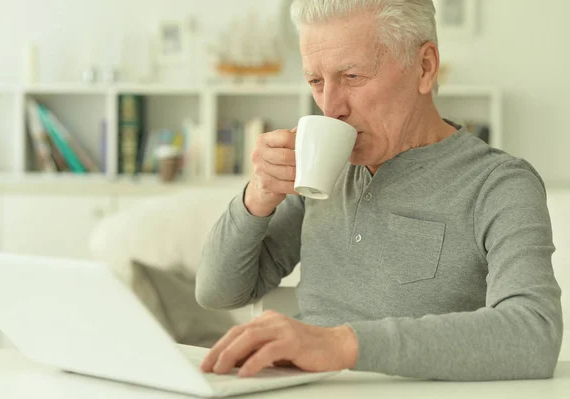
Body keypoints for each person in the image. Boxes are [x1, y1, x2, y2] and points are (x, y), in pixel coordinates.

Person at [195, 0, 563, 381]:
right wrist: (258, 195)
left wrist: (337, 346)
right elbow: (219, 293)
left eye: (352, 76)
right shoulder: (323, 171)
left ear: (424, 67)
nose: (330, 107)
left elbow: (534, 333)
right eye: (316, 82)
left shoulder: (500, 184)